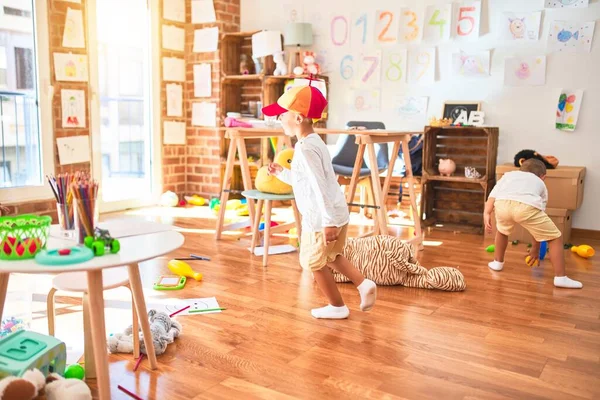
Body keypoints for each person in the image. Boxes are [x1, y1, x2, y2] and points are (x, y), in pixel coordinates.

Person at [262, 83, 377, 319]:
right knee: (331, 257)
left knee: (313, 262)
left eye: (282, 115)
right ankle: (364, 284)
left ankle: (337, 306)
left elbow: (318, 186)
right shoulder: (315, 142)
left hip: (320, 219)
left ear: (298, 117)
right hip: (335, 212)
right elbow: (306, 180)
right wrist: (280, 173)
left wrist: (327, 222)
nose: (279, 119)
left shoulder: (304, 149)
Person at [484, 159, 582, 289]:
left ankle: (497, 262)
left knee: (502, 232)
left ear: (520, 169)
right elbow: (537, 224)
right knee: (555, 238)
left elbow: (493, 195)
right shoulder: (540, 184)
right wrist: (535, 249)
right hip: (526, 206)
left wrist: (487, 213)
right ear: (543, 177)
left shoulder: (508, 175)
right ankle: (560, 277)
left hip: (502, 204)